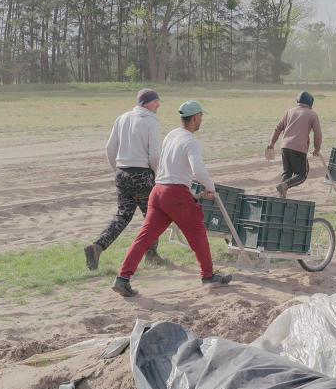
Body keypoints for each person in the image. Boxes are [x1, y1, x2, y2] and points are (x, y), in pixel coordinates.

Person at [112, 100, 232, 297]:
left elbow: (168, 166)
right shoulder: (192, 141)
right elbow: (198, 170)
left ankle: (123, 278)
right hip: (175, 194)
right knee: (198, 233)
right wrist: (210, 187)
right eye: (201, 116)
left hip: (158, 191)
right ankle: (208, 275)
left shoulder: (171, 135)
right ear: (195, 118)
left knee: (145, 237)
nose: (201, 120)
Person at [84, 88, 163, 271]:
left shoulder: (122, 118)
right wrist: (159, 177)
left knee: (123, 215)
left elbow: (110, 149)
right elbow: (154, 157)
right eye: (155, 101)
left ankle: (97, 247)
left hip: (122, 173)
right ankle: (151, 255)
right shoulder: (151, 121)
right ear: (145, 103)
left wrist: (117, 171)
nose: (158, 105)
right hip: (143, 175)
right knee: (153, 216)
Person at [266, 91, 322, 197]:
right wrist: (316, 149)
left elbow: (277, 128)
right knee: (302, 175)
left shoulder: (289, 112)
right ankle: (284, 185)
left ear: (298, 101)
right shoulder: (312, 114)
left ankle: (281, 196)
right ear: (311, 103)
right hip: (299, 148)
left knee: (287, 172)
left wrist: (272, 143)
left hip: (285, 147)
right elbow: (318, 134)